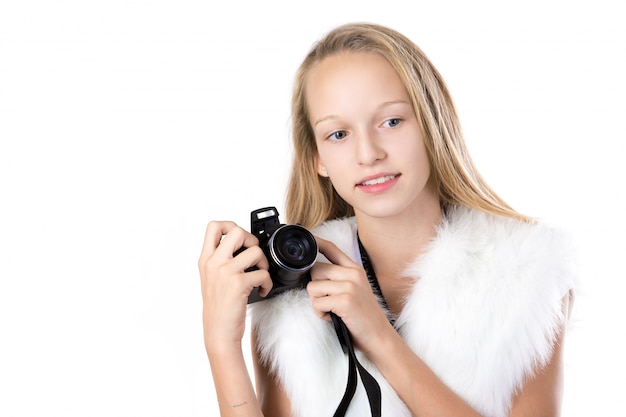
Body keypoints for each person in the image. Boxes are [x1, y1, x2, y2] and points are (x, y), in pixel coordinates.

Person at [198, 22, 577, 417]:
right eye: (339, 134)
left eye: (391, 122)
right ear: (317, 159)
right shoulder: (289, 296)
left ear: (433, 123)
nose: (368, 153)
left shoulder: (528, 273)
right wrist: (221, 344)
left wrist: (379, 336)